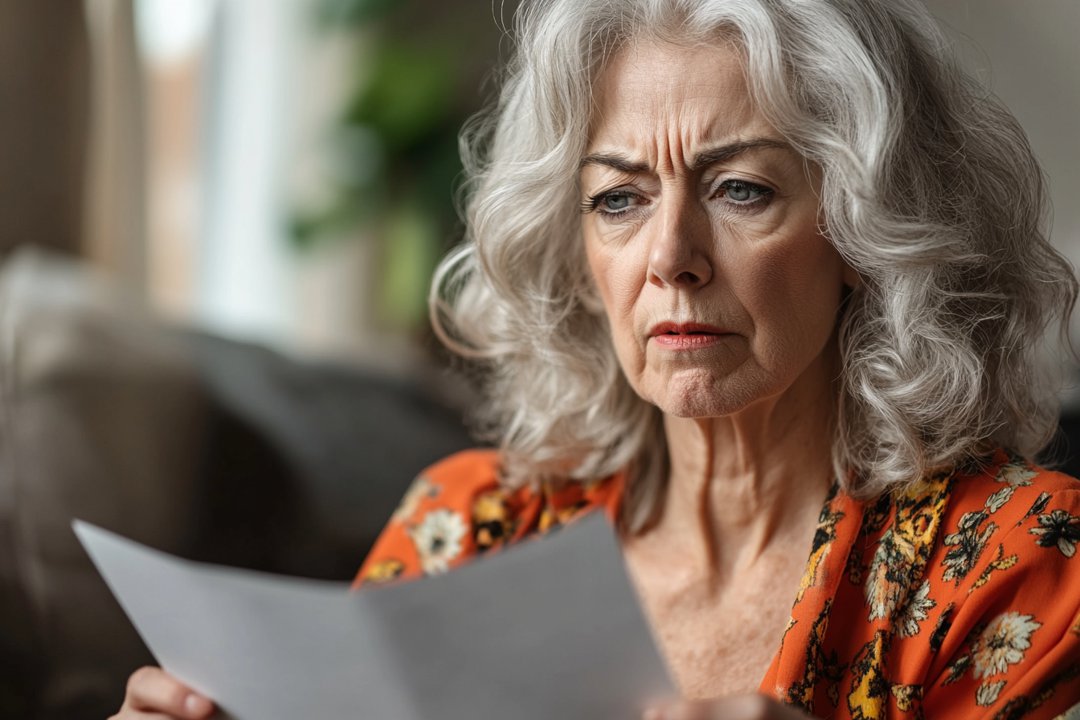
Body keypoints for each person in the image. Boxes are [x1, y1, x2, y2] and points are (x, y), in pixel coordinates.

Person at [114, 0, 1080, 718]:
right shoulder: (472, 526)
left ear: (865, 230)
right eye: (619, 199)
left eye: (741, 189)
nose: (671, 257)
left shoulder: (1023, 562)